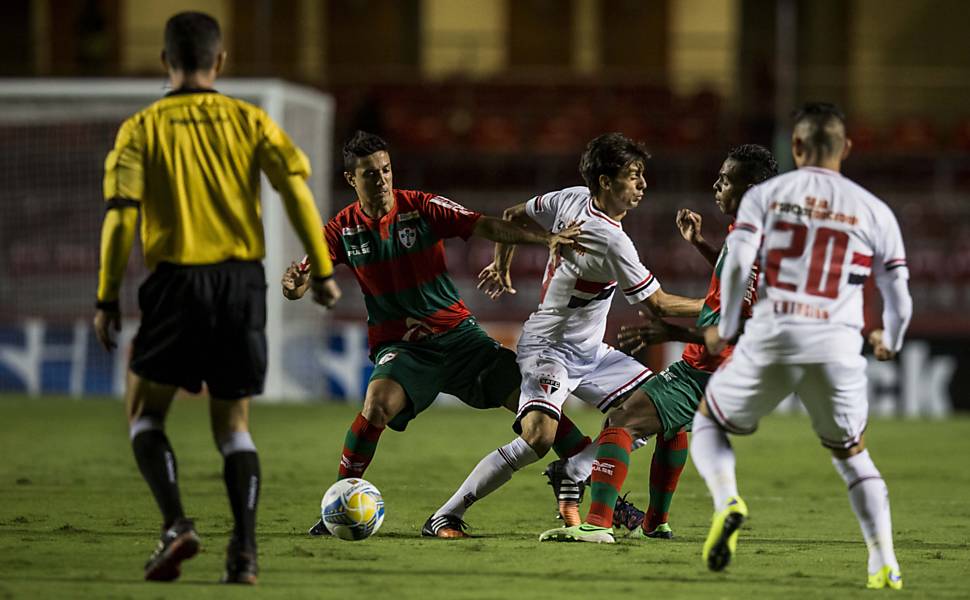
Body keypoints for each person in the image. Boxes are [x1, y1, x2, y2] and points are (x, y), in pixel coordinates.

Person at [93, 12, 341, 585]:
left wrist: (106, 298)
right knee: (233, 426)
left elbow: (120, 219)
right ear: (220, 61)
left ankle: (177, 523)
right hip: (240, 284)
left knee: (144, 412)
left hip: (176, 284)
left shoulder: (141, 128)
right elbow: (295, 193)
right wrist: (323, 271)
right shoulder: (249, 120)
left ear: (165, 62)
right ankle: (245, 552)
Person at [280, 130, 588, 537]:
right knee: (375, 406)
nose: (382, 180)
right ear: (350, 179)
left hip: (461, 340)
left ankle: (607, 498)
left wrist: (545, 238)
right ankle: (338, 502)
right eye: (370, 174)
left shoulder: (422, 207)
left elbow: (486, 225)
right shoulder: (341, 230)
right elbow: (303, 277)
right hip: (405, 351)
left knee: (540, 411)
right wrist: (293, 285)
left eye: (386, 170)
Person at [426, 133, 703, 538]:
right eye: (633, 176)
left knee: (662, 413)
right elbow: (658, 305)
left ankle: (579, 471)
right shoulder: (611, 238)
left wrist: (503, 264)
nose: (642, 185)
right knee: (538, 437)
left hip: (592, 352)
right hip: (548, 349)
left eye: (643, 175)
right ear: (606, 182)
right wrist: (722, 303)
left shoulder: (571, 197)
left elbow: (514, 214)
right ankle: (444, 515)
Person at [692, 103, 911, 590]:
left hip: (773, 335)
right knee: (853, 456)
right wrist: (889, 340)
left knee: (708, 422)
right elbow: (899, 294)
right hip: (836, 345)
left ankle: (728, 501)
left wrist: (727, 327)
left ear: (794, 147)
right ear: (846, 148)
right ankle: (884, 563)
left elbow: (736, 262)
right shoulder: (875, 210)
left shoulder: (766, 196)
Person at [543, 144, 779, 541]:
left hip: (711, 366)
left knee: (622, 420)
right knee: (672, 427)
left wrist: (671, 332)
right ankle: (656, 522)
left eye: (726, 179)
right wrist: (701, 244)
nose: (717, 184)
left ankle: (596, 524)